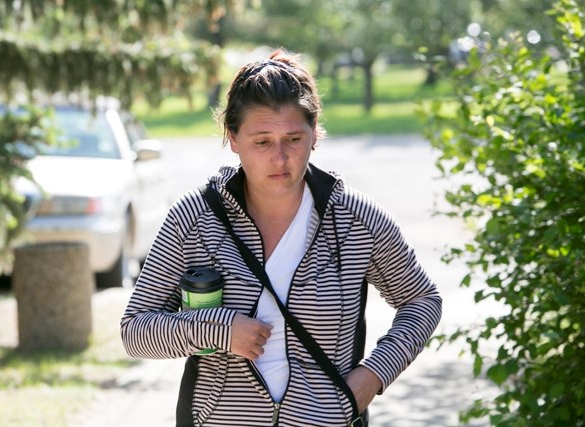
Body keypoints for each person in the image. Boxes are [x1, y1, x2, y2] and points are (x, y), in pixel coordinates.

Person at [120, 48, 442, 427]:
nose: (280, 157)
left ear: (314, 133)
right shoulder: (194, 219)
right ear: (233, 138)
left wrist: (373, 376)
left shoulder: (355, 218)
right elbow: (135, 330)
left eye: (293, 138)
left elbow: (422, 301)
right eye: (262, 142)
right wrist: (219, 329)